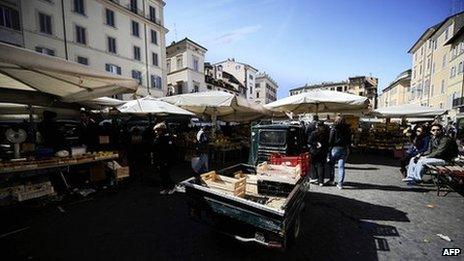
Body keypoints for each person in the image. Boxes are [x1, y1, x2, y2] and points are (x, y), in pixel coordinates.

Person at [328, 115, 352, 189]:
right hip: (344, 148)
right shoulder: (348, 129)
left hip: (335, 148)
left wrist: (329, 149)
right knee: (341, 167)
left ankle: (332, 180)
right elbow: (349, 140)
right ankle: (340, 184)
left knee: (332, 165)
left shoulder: (334, 129)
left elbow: (330, 140)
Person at [152, 122, 176, 194]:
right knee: (164, 174)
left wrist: (166, 161)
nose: (156, 132)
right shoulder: (160, 138)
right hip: (161, 159)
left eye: (158, 130)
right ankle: (169, 187)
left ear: (162, 130)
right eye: (156, 130)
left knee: (164, 174)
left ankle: (170, 187)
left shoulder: (164, 138)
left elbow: (168, 150)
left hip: (164, 159)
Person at [308, 121, 330, 186]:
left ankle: (314, 177)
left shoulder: (314, 133)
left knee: (312, 164)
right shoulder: (326, 134)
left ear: (317, 126)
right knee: (321, 166)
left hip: (314, 151)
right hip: (323, 151)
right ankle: (321, 181)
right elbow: (327, 143)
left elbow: (309, 141)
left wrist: (315, 143)